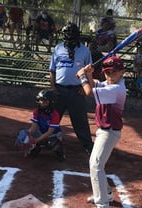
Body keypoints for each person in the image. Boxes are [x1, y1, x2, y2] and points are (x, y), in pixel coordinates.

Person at [76, 56, 127, 208]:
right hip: (104, 130)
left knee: (96, 165)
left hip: (109, 132)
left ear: (121, 72)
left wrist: (83, 76)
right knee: (96, 164)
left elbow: (89, 91)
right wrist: (88, 74)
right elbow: (94, 84)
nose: (109, 76)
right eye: (107, 73)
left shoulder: (117, 89)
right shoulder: (111, 84)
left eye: (113, 72)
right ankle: (108, 194)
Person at [49, 22, 93, 154]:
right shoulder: (58, 48)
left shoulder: (84, 50)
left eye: (72, 33)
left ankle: (87, 145)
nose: (69, 36)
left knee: (80, 120)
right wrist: (53, 86)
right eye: (67, 33)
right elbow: (52, 70)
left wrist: (83, 86)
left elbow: (89, 70)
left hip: (76, 91)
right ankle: (47, 140)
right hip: (60, 90)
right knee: (53, 118)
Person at [22, 89, 65, 161]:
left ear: (51, 102)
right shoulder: (36, 111)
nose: (41, 103)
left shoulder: (55, 114)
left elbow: (50, 132)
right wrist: (27, 136)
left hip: (53, 135)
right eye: (40, 100)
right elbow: (33, 127)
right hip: (41, 133)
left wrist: (36, 140)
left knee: (53, 144)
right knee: (30, 141)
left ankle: (60, 153)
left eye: (44, 101)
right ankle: (36, 148)